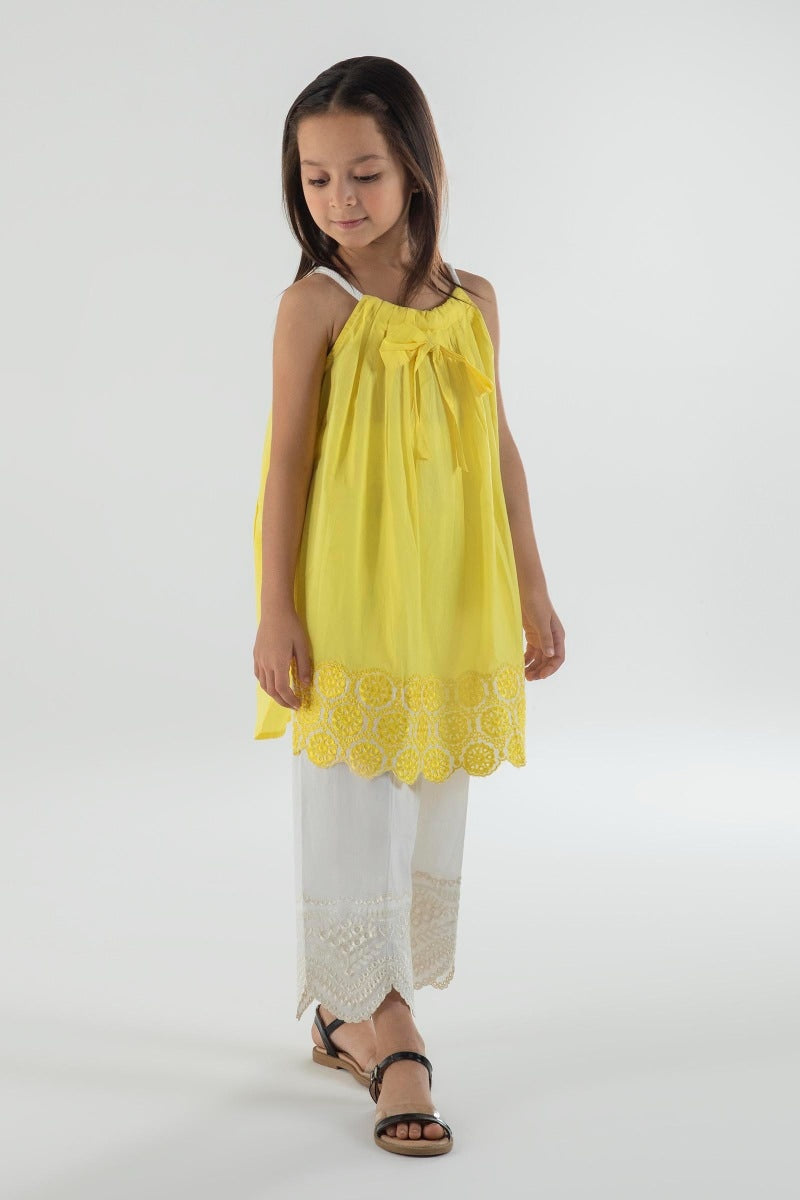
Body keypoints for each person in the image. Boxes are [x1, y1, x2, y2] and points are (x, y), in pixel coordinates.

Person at [252, 55, 565, 1157]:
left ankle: (352, 1013)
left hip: (451, 591)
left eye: (364, 174)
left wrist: (532, 586)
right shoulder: (315, 305)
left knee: (427, 791)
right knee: (353, 797)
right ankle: (387, 1026)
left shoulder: (473, 302)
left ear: (416, 170)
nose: (338, 199)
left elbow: (496, 446)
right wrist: (274, 608)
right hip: (349, 593)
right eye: (316, 179)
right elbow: (287, 463)